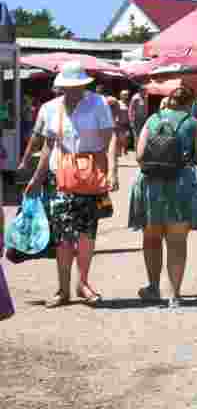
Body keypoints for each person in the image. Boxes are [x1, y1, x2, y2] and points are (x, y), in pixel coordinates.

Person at [24, 61, 116, 307]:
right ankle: (63, 289)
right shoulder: (50, 109)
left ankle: (83, 283)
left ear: (84, 84)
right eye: (68, 87)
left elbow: (109, 140)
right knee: (64, 237)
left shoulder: (98, 104)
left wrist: (110, 172)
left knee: (87, 234)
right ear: (61, 87)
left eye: (77, 86)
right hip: (60, 178)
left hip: (90, 177)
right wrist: (36, 178)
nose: (73, 91)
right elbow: (46, 146)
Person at [130, 86, 197, 309]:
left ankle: (153, 288)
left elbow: (138, 154)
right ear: (191, 103)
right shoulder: (194, 124)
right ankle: (175, 294)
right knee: (176, 242)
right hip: (181, 184)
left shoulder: (152, 120)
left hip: (151, 184)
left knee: (152, 239)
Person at [115, 90, 131, 156]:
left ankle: (124, 149)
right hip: (119, 122)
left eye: (126, 94)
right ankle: (118, 150)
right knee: (119, 137)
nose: (125, 96)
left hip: (126, 122)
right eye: (124, 94)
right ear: (121, 95)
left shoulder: (129, 103)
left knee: (127, 136)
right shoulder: (117, 103)